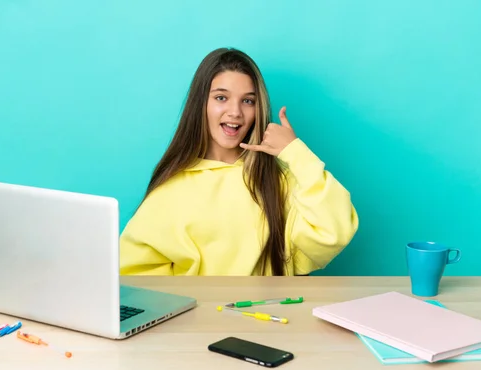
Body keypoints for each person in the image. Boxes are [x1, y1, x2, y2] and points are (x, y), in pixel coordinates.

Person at [119, 47, 359, 276]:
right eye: (221, 97)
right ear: (200, 104)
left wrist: (295, 152)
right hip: (200, 318)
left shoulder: (279, 182)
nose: (235, 112)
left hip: (269, 315)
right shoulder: (170, 190)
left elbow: (334, 233)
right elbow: (135, 276)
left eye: (248, 101)